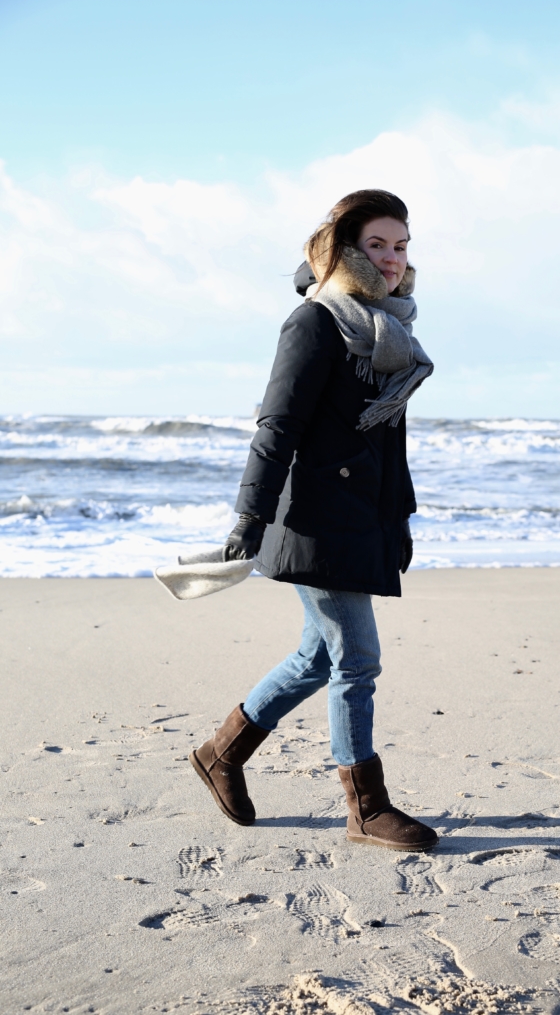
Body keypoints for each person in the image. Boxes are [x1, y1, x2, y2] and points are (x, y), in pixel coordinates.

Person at [189, 190, 436, 851]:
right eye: (377, 244)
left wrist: (400, 519)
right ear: (345, 248)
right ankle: (366, 807)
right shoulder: (317, 322)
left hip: (362, 517)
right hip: (314, 518)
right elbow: (279, 428)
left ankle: (222, 752)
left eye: (401, 245)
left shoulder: (390, 328)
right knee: (356, 658)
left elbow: (388, 444)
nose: (391, 258)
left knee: (317, 655)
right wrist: (249, 517)